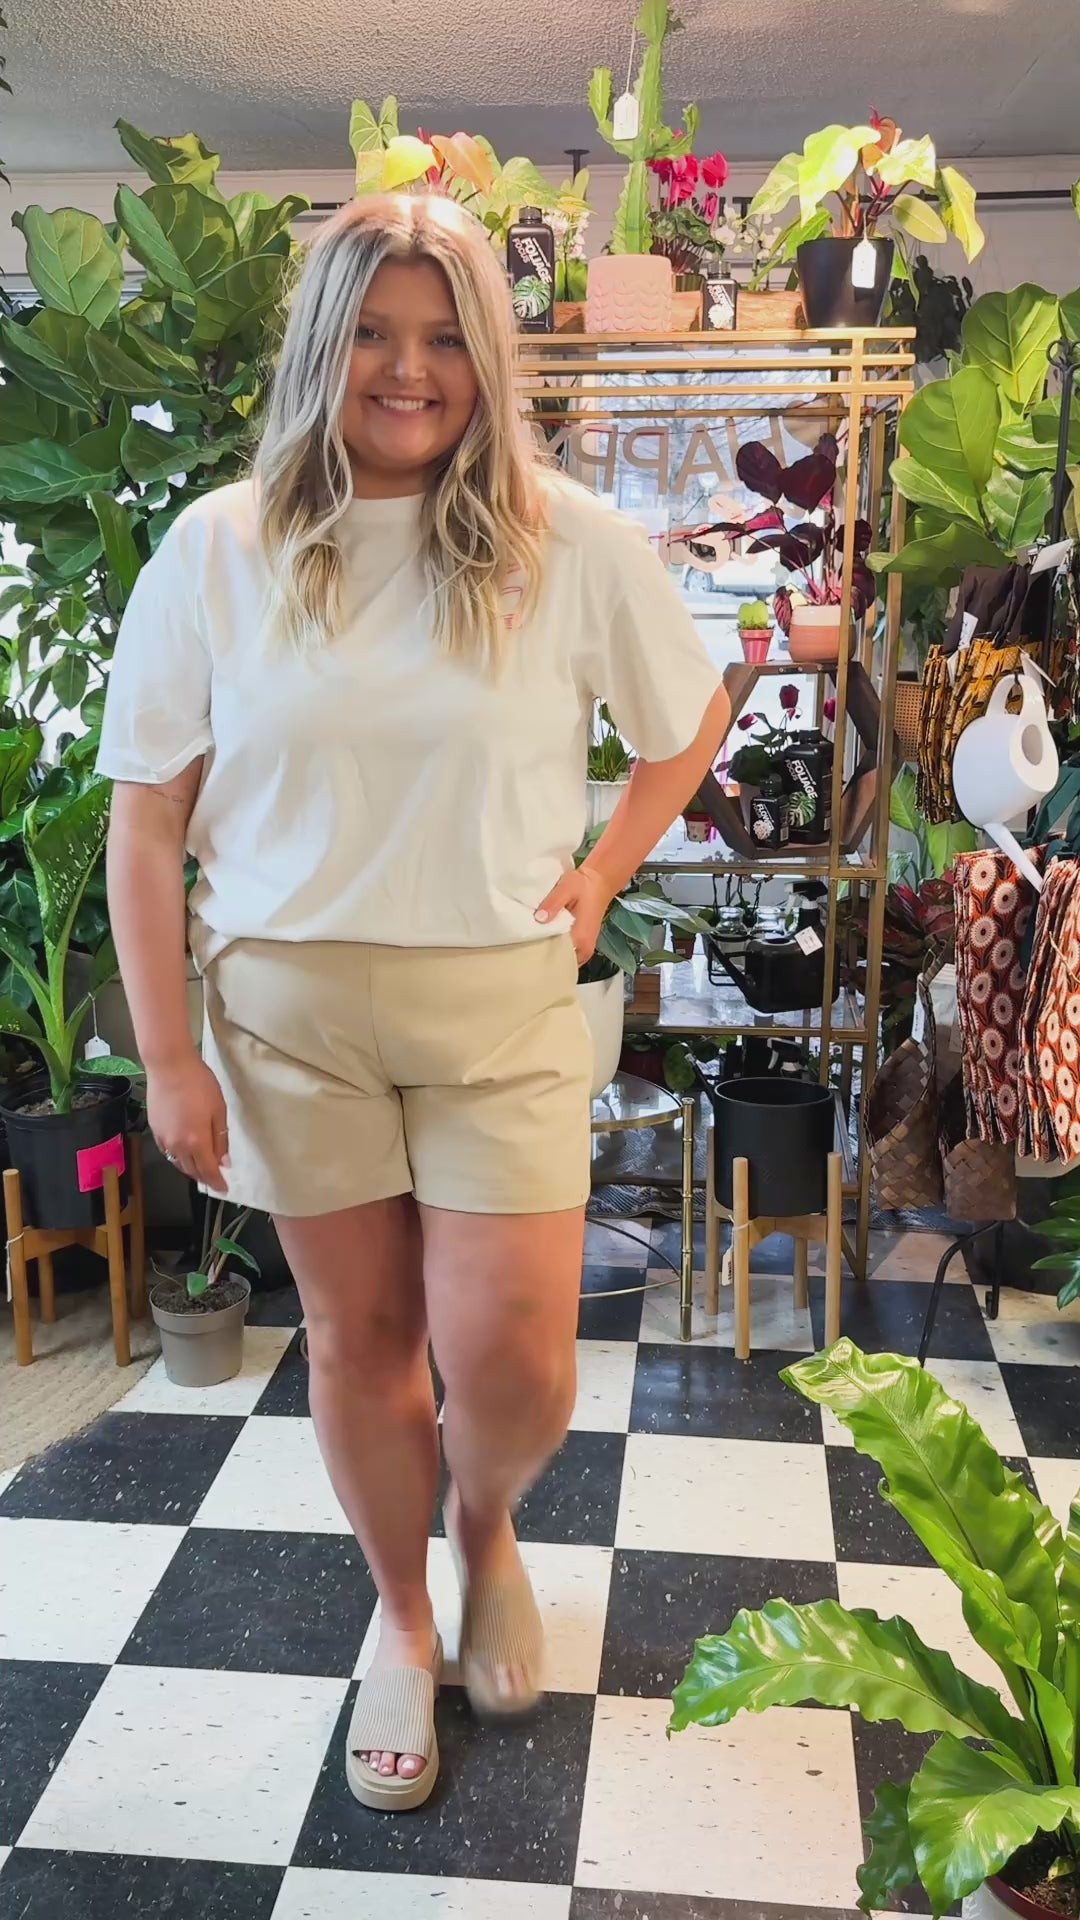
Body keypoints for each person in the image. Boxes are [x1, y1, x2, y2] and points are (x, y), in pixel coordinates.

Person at [100, 192, 728, 1812]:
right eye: (374, 331)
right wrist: (168, 1055)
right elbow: (147, 818)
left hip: (496, 1003)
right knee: (362, 1344)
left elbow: (687, 724)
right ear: (323, 347)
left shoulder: (564, 540)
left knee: (516, 1359)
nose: (409, 367)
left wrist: (603, 873)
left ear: (488, 357)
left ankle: (487, 1527)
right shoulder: (220, 547)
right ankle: (401, 1614)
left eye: (446, 335)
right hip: (287, 1011)